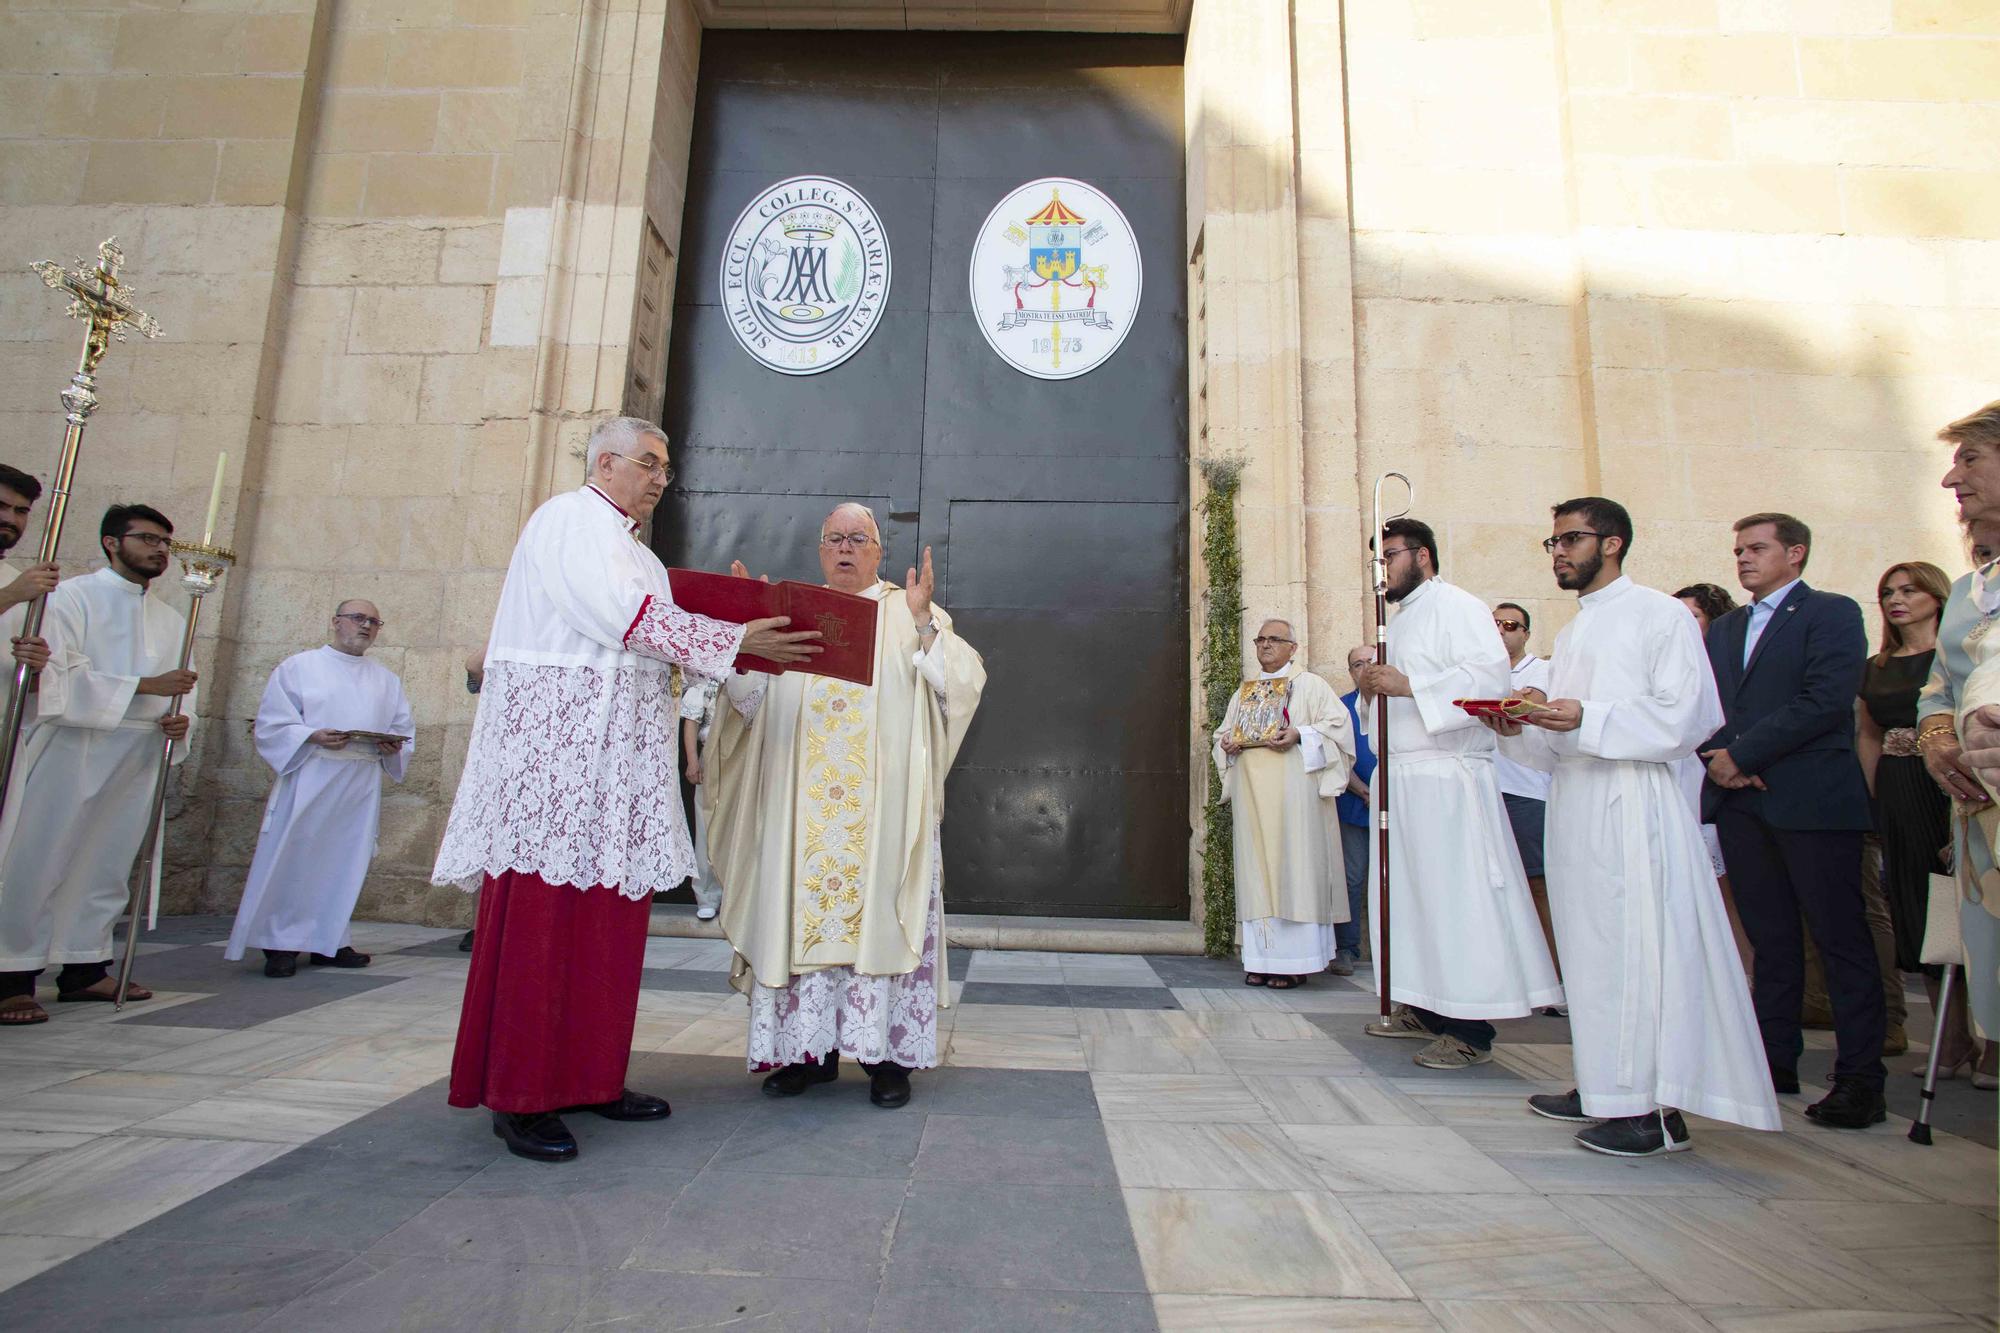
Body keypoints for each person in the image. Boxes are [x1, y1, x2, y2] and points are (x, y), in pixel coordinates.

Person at [432, 416, 819, 1162]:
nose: (658, 479)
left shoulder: (636, 552)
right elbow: (626, 621)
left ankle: (588, 1076)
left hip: (614, 771)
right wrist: (737, 639)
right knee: (542, 933)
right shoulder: (568, 519)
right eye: (649, 463)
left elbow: (662, 627)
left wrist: (739, 636)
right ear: (604, 461)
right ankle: (520, 1097)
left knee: (606, 931)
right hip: (558, 767)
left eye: (664, 470)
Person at [1489, 497, 1778, 1156]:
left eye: (1571, 539)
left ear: (1612, 542)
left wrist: (1583, 716)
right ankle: (1606, 1084)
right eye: (1552, 541)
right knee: (1593, 952)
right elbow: (1561, 735)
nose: (1558, 551)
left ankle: (1657, 1108)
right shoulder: (1576, 630)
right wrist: (1520, 720)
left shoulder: (1661, 614)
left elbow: (1688, 717)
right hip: (1578, 804)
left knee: (1638, 951)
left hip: (1631, 803)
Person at [706, 504, 985, 1109]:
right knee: (798, 914)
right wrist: (745, 636)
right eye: (835, 538)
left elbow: (961, 684)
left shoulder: (909, 611)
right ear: (819, 548)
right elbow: (748, 704)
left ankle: (886, 1059)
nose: (846, 549)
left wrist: (926, 628)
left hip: (882, 812)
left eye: (859, 538)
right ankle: (810, 1054)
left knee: (881, 920)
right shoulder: (791, 615)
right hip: (797, 810)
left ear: (879, 551)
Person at [1701, 512, 1886, 1129]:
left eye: (1757, 548)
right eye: (1738, 550)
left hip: (1811, 798)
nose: (1743, 559)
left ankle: (1860, 1077)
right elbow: (1708, 705)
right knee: (1770, 938)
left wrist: (1743, 754)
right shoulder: (1725, 628)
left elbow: (1825, 698)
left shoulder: (1831, 613)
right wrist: (1722, 760)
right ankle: (1774, 1057)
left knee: (1839, 940)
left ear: (1796, 553)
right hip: (1743, 801)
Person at [1356, 517, 1562, 1069]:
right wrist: (1370, 688)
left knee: (1455, 899)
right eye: (1377, 560)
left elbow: (1488, 680)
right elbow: (1387, 702)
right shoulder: (1398, 622)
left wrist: (1408, 685)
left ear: (1422, 555)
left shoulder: (1460, 608)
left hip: (1447, 777)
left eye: (1390, 556)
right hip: (1402, 778)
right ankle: (1426, 1006)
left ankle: (1472, 1028)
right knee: (1413, 900)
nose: (1383, 570)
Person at [0, 504, 195, 1026]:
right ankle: (13, 972)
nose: (159, 550)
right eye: (148, 538)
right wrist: (146, 687)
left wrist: (182, 722)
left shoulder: (174, 617)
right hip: (74, 744)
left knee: (108, 862)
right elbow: (58, 677)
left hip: (137, 751)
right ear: (112, 542)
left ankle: (85, 965)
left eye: (165, 542)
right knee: (41, 856)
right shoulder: (70, 597)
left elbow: (184, 686)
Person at [223, 600, 413, 977]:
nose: (366, 627)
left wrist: (392, 746)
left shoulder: (385, 679)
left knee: (345, 862)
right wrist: (312, 735)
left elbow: (402, 729)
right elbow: (273, 723)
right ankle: (280, 944)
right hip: (312, 774)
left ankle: (330, 940)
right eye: (358, 618)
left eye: (374, 622)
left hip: (359, 779)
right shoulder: (299, 667)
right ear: (335, 621)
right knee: (297, 858)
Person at [1920, 399, 2000, 1087]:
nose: (1951, 479)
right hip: (1980, 825)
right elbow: (1937, 687)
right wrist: (1939, 738)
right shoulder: (1972, 589)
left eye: (1970, 457)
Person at [1213, 619, 1354, 988]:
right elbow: (1222, 734)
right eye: (1261, 639)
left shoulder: (1310, 686)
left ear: (1294, 647)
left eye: (1275, 639)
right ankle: (1261, 959)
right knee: (1257, 871)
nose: (1266, 645)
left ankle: (1296, 962)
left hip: (1296, 798)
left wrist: (1300, 734)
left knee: (1296, 869)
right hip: (1252, 796)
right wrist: (1226, 744)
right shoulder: (1246, 691)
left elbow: (1339, 731)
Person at [1853, 563, 1954, 1053]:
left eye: (1909, 590)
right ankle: (1947, 1041)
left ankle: (1989, 1044)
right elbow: (1868, 734)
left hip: (1951, 786)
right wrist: (1874, 801)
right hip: (1897, 785)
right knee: (1915, 906)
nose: (1896, 599)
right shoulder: (1877, 666)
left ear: (1937, 596)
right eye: (1888, 591)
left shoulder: (1958, 656)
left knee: (1963, 905)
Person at [1492, 600, 1560, 1007]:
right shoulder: (1484, 671)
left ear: (1525, 633)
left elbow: (1532, 701)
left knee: (1538, 886)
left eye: (1510, 624)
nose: (1501, 631)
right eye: (1494, 624)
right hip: (1486, 786)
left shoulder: (1542, 670)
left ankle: (1556, 979)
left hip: (1526, 789)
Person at [0, 464, 60, 707]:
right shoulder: (21, 587)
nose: (10, 519)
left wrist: (35, 669)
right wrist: (11, 595)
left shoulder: (27, 586)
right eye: (1, 507)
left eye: (21, 511)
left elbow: (43, 694)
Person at [1333, 646, 1377, 976]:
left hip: (1398, 805)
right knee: (1351, 877)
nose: (1366, 669)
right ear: (1351, 673)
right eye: (1358, 664)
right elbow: (1336, 755)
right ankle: (1347, 948)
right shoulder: (1342, 708)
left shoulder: (1401, 704)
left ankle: (1394, 950)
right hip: (1354, 804)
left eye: (1372, 662)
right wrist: (1364, 790)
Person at [680, 673, 723, 920]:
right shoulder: (709, 678)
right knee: (707, 827)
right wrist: (693, 760)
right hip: (712, 756)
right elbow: (691, 721)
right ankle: (707, 895)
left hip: (745, 758)